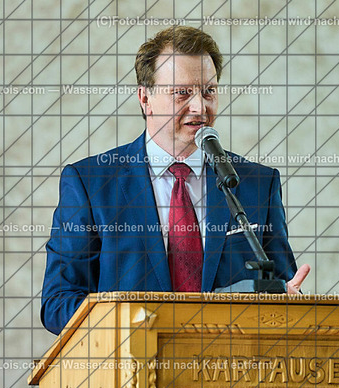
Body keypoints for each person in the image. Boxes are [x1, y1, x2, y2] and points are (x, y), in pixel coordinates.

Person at [41, 26, 311, 335]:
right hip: (132, 360)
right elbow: (58, 304)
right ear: (145, 98)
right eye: (182, 92)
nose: (200, 107)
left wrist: (291, 303)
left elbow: (283, 286)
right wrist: (135, 323)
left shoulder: (257, 183)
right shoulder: (90, 184)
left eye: (208, 91)